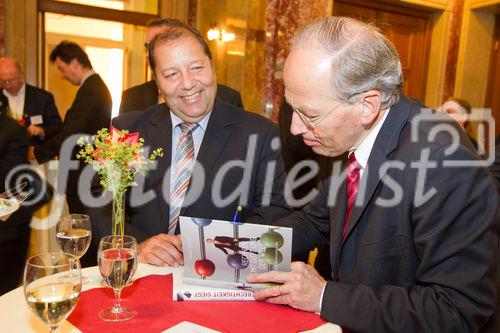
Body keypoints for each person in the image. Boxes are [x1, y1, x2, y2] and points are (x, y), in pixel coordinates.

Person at [246, 17, 498, 332]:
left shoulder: (442, 161)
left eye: (309, 115)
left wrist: (324, 295)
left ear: (368, 106)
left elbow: (456, 310)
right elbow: (313, 221)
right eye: (292, 109)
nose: (295, 129)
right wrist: (227, 247)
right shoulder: (350, 138)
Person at [89, 22, 291, 267]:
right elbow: (102, 203)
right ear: (157, 82)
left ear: (212, 67)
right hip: (141, 276)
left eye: (196, 67)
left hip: (216, 282)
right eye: (172, 74)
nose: (187, 83)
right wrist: (137, 246)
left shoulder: (259, 134)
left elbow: (273, 213)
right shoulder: (127, 130)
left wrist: (210, 249)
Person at [28, 41, 112, 218]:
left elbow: (71, 135)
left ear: (74, 63)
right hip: (85, 176)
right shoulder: (93, 87)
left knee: (83, 233)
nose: (62, 75)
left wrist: (38, 151)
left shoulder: (91, 91)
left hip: (84, 178)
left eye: (61, 68)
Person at [119, 18, 243, 114]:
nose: (150, 53)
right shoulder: (131, 98)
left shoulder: (229, 98)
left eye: (162, 41)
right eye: (148, 47)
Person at [0, 57, 62, 144]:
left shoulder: (42, 98)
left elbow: (57, 127)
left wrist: (41, 130)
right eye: (3, 81)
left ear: (21, 76)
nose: (7, 85)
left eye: (11, 80)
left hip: (34, 153)